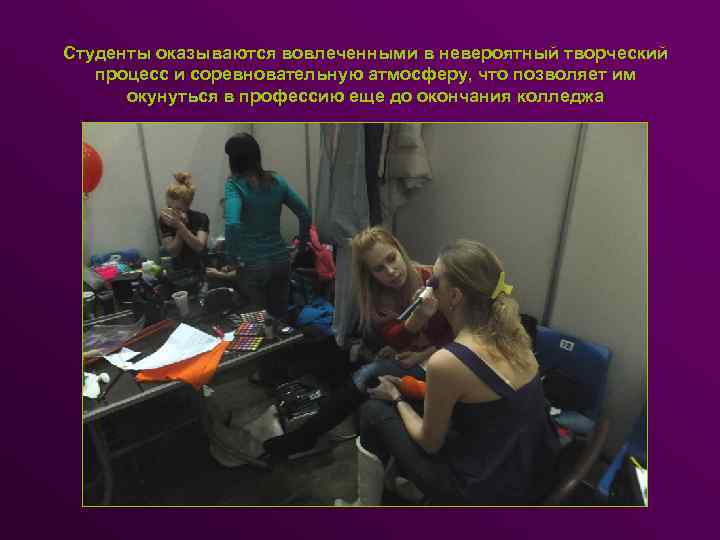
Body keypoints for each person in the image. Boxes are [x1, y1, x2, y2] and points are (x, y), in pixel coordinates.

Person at [340, 240, 559, 505]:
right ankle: (398, 486)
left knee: (373, 411)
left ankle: (366, 505)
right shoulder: (515, 334)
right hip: (530, 473)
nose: (427, 287)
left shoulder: (447, 362)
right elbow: (478, 399)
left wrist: (396, 397)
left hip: (480, 492)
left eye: (433, 282)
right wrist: (409, 386)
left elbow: (429, 443)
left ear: (454, 296)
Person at [262, 226, 453, 459]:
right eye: (379, 269)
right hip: (414, 356)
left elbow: (461, 334)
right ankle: (309, 431)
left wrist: (421, 353)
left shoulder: (430, 279)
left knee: (365, 374)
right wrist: (411, 331)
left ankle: (304, 437)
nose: (391, 271)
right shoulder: (376, 297)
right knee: (342, 359)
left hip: (443, 358)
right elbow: (394, 337)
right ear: (370, 274)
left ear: (399, 249)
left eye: (391, 258)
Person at [223, 133, 311, 321]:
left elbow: (232, 224)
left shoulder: (234, 185)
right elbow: (304, 213)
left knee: (258, 323)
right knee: (280, 320)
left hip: (252, 265)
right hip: (280, 261)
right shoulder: (276, 180)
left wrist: (232, 258)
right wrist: (301, 247)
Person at [159, 172, 209, 274]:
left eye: (178, 208)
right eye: (169, 207)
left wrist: (181, 226)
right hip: (178, 270)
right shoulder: (165, 220)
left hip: (200, 267)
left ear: (188, 205)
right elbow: (173, 252)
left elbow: (199, 247)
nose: (173, 211)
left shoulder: (201, 218)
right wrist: (179, 227)